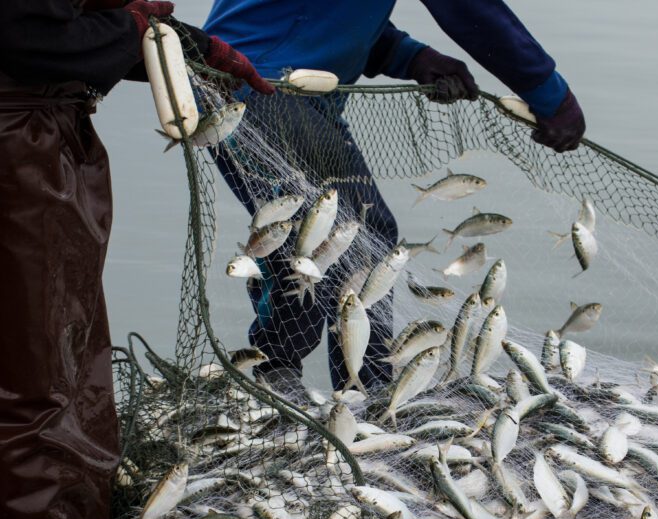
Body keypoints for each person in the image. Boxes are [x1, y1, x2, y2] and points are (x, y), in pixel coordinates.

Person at [204, 0, 587, 395]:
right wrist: (549, 94)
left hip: (258, 84)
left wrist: (410, 56)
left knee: (332, 231)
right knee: (346, 234)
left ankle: (320, 381)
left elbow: (327, 12)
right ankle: (339, 388)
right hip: (262, 88)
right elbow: (473, 10)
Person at [0, 0, 272, 519]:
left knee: (57, 347)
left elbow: (60, 27)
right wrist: (131, 30)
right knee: (37, 367)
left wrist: (185, 44)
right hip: (17, 148)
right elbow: (20, 34)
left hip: (39, 132)